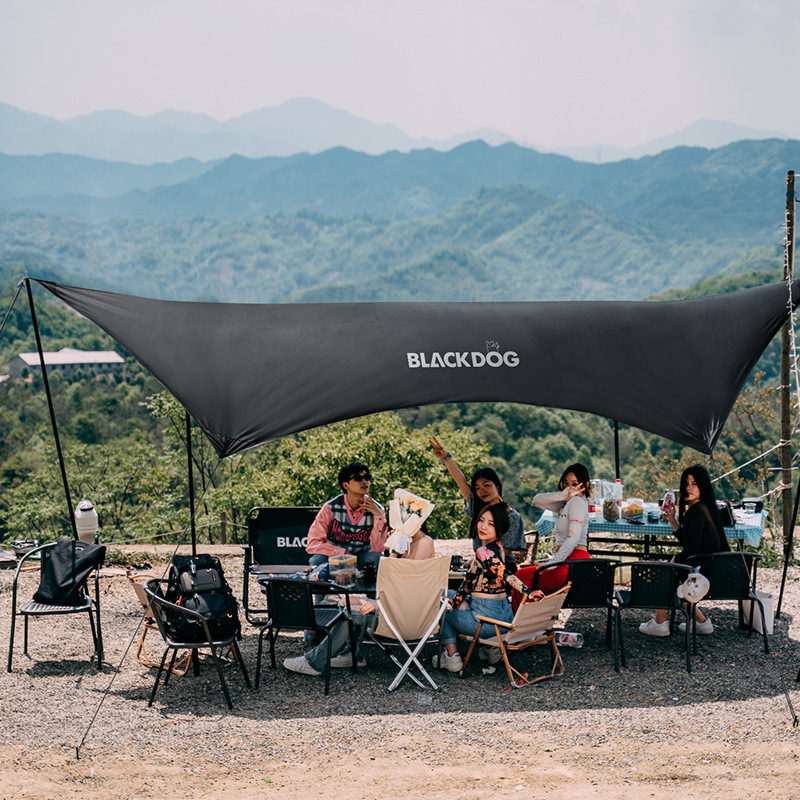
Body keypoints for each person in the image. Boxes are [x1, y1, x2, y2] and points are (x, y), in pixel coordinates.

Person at [284, 517, 436, 676]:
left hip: (403, 617)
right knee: (346, 601)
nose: (393, 530)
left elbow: (409, 589)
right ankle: (354, 654)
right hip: (396, 609)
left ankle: (314, 663)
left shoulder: (424, 543)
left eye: (396, 525)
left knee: (349, 613)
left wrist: (393, 555)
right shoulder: (409, 544)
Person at [432, 503, 543, 672]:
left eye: (491, 524)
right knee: (449, 595)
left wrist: (527, 592)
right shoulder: (498, 549)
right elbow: (468, 583)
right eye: (481, 520)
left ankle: (451, 656)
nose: (483, 527)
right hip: (504, 618)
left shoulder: (483, 552)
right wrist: (457, 601)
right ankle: (490, 650)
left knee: (439, 602)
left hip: (486, 624)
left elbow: (505, 574)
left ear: (501, 530)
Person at [639, 465, 730, 637]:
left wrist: (674, 561)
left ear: (703, 486)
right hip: (714, 570)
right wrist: (673, 520)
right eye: (686, 483)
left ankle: (660, 623)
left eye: (694, 483)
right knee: (675, 573)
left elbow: (691, 549)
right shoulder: (705, 507)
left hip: (703, 573)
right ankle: (702, 623)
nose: (689, 488)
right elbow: (691, 543)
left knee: (666, 574)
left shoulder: (696, 511)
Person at [429, 436, 526, 572]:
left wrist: (476, 560)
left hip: (502, 570)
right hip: (480, 565)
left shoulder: (512, 517)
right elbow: (461, 482)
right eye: (478, 488)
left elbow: (503, 551)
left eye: (487, 485)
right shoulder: (479, 508)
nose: (482, 491)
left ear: (497, 486)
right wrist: (446, 458)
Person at [512, 463, 593, 603]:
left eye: (574, 484)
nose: (569, 488)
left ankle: (521, 616)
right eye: (566, 483)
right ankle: (530, 615)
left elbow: (573, 538)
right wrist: (563, 495)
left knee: (521, 576)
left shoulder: (577, 502)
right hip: (566, 561)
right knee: (525, 579)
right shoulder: (566, 503)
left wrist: (553, 563)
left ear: (584, 485)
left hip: (574, 562)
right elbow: (537, 500)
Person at [305, 462, 388, 573]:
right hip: (335, 558)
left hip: (362, 557)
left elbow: (378, 549)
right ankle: (323, 584)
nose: (364, 481)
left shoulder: (377, 509)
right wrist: (342, 553)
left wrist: (379, 516)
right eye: (358, 478)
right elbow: (313, 544)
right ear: (345, 485)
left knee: (377, 559)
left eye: (367, 477)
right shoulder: (330, 508)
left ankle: (368, 585)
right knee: (318, 560)